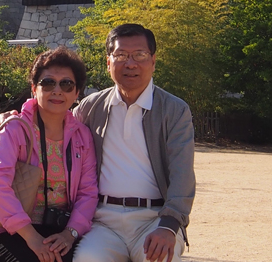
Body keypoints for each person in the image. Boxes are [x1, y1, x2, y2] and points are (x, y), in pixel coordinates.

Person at [74, 23, 196, 262]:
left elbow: (183, 174)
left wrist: (169, 225)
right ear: (108, 62)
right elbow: (55, 129)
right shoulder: (91, 107)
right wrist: (17, 118)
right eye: (120, 55)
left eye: (140, 55)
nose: (130, 64)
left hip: (154, 219)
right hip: (102, 221)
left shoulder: (174, 110)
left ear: (153, 61)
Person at [0, 46, 99, 262]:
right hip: (4, 227)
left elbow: (88, 192)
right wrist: (30, 236)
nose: (57, 91)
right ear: (34, 88)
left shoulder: (83, 136)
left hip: (58, 230)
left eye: (67, 84)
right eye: (48, 83)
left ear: (77, 93)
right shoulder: (15, 128)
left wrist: (70, 234)